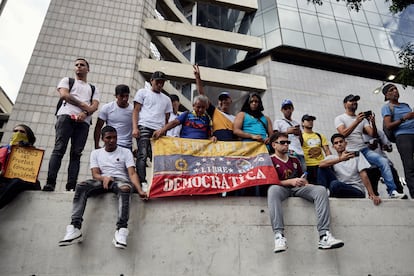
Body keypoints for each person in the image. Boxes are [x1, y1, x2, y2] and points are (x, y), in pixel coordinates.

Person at [58, 126, 146, 249]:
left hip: (120, 180)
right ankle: (74, 228)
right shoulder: (96, 153)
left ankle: (121, 230)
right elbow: (95, 174)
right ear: (102, 139)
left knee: (125, 188)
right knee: (81, 186)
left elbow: (132, 173)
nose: (112, 140)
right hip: (102, 180)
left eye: (114, 137)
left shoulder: (125, 152)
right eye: (108, 138)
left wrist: (140, 190)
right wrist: (104, 178)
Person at [267, 132, 344, 253]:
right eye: (282, 142)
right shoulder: (269, 160)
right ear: (274, 145)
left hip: (297, 188)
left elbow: (302, 178)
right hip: (281, 188)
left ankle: (324, 235)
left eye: (288, 142)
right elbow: (271, 181)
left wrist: (306, 183)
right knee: (272, 190)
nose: (286, 145)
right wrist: (290, 181)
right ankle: (278, 235)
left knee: (320, 190)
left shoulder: (294, 160)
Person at [43, 58, 100, 192]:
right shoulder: (67, 80)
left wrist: (85, 113)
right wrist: (82, 105)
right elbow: (64, 95)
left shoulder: (93, 88)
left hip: (84, 122)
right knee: (59, 149)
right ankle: (50, 183)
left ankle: (71, 186)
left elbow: (95, 106)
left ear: (88, 69)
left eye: (82, 65)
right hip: (65, 117)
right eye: (77, 65)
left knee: (76, 153)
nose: (79, 67)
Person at [334, 94, 406, 199]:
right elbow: (343, 134)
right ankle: (365, 194)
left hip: (364, 150)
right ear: (345, 104)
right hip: (351, 152)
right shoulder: (340, 118)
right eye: (351, 101)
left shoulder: (362, 119)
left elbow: (373, 134)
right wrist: (356, 121)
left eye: (355, 101)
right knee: (362, 173)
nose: (354, 102)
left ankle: (392, 191)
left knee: (384, 162)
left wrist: (373, 123)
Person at [132, 71, 173, 193]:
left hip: (159, 130)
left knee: (158, 158)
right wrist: (135, 128)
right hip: (144, 126)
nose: (160, 85)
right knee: (142, 154)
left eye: (162, 82)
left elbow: (167, 118)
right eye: (157, 82)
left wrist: (163, 131)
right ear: (151, 81)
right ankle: (142, 181)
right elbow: (135, 111)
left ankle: (158, 182)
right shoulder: (142, 92)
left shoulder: (167, 99)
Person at [318, 133, 381, 205]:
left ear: (345, 143)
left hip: (356, 190)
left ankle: (327, 194)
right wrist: (341, 159)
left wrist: (371, 194)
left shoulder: (356, 156)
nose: (339, 144)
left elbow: (364, 175)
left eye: (341, 142)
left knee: (334, 184)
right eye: (336, 143)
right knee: (322, 169)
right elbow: (320, 165)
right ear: (333, 147)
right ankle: (321, 195)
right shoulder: (333, 158)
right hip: (339, 187)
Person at [233, 93, 273, 196]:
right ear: (248, 103)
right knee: (248, 173)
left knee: (263, 174)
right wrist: (252, 136)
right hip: (248, 149)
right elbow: (236, 131)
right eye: (252, 101)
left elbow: (272, 135)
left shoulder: (266, 118)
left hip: (264, 150)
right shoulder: (242, 114)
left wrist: (269, 139)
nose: (254, 103)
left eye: (257, 101)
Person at [382, 83, 414, 198]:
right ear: (387, 95)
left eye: (396, 88)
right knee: (409, 165)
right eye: (391, 90)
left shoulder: (405, 105)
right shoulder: (387, 107)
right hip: (403, 136)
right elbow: (389, 125)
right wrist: (404, 118)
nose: (395, 91)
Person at [0, 124, 41, 209]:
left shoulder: (33, 153)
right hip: (4, 179)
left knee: (17, 182)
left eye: (22, 132)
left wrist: (26, 149)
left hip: (22, 181)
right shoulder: (3, 149)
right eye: (15, 131)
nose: (18, 133)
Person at [193, 64, 236, 141]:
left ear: (231, 101)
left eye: (226, 99)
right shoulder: (215, 112)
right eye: (221, 100)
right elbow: (202, 96)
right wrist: (198, 78)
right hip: (219, 145)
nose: (224, 101)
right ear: (218, 103)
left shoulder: (236, 118)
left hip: (232, 146)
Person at [362, 130, 404, 196]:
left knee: (398, 187)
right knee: (372, 191)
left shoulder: (378, 132)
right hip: (369, 166)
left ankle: (396, 194)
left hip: (384, 163)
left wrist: (386, 147)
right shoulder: (357, 135)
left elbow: (390, 148)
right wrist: (368, 148)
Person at [94, 84, 133, 150]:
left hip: (126, 145)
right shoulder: (107, 108)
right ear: (116, 96)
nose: (124, 99)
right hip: (110, 144)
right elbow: (98, 127)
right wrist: (96, 145)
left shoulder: (133, 110)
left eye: (127, 96)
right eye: (121, 96)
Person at [273, 99, 306, 171]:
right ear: (282, 110)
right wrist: (287, 132)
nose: (287, 110)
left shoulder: (296, 123)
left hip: (300, 152)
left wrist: (299, 134)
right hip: (289, 150)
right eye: (285, 108)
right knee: (291, 172)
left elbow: (302, 142)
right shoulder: (278, 122)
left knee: (303, 172)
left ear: (292, 109)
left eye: (289, 108)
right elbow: (275, 136)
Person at [301, 114, 331, 184]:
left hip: (321, 165)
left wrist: (330, 162)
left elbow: (327, 151)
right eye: (308, 120)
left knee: (324, 184)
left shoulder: (319, 136)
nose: (310, 122)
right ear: (302, 123)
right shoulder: (301, 137)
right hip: (309, 166)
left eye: (312, 120)